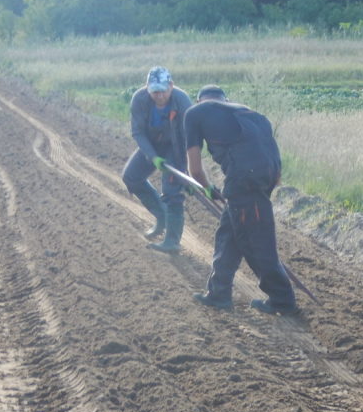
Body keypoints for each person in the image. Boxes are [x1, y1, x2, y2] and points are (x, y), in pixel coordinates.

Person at [183, 85, 298, 314]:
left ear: (199, 101)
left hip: (244, 180)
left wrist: (206, 187)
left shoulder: (194, 113)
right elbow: (271, 156)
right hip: (267, 176)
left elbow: (194, 170)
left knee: (256, 242)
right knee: (229, 235)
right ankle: (219, 293)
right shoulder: (250, 113)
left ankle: (282, 300)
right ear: (225, 100)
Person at [122, 66, 193, 253]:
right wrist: (153, 157)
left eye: (162, 91)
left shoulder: (182, 101)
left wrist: (187, 171)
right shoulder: (140, 99)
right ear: (147, 88)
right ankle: (161, 216)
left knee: (172, 192)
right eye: (154, 92)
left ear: (171, 85)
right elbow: (137, 131)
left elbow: (190, 138)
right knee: (131, 177)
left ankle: (172, 241)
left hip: (175, 147)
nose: (159, 95)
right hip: (151, 145)